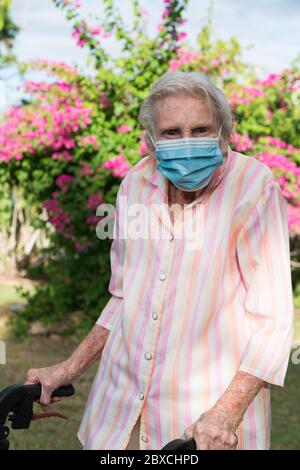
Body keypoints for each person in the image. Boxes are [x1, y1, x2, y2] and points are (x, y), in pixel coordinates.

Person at [25, 71, 294, 450]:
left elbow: (272, 322)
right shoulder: (135, 184)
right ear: (150, 142)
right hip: (118, 418)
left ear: (225, 131)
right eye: (171, 133)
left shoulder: (254, 187)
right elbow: (122, 298)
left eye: (201, 129)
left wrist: (225, 415)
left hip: (204, 427)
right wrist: (69, 368)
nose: (187, 142)